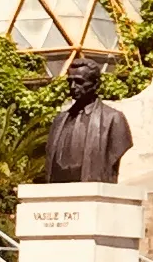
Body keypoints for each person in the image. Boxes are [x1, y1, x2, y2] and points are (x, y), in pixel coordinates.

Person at [42, 55, 133, 184]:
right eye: (70, 82)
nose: (73, 87)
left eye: (79, 82)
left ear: (95, 84)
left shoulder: (113, 119)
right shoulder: (59, 120)